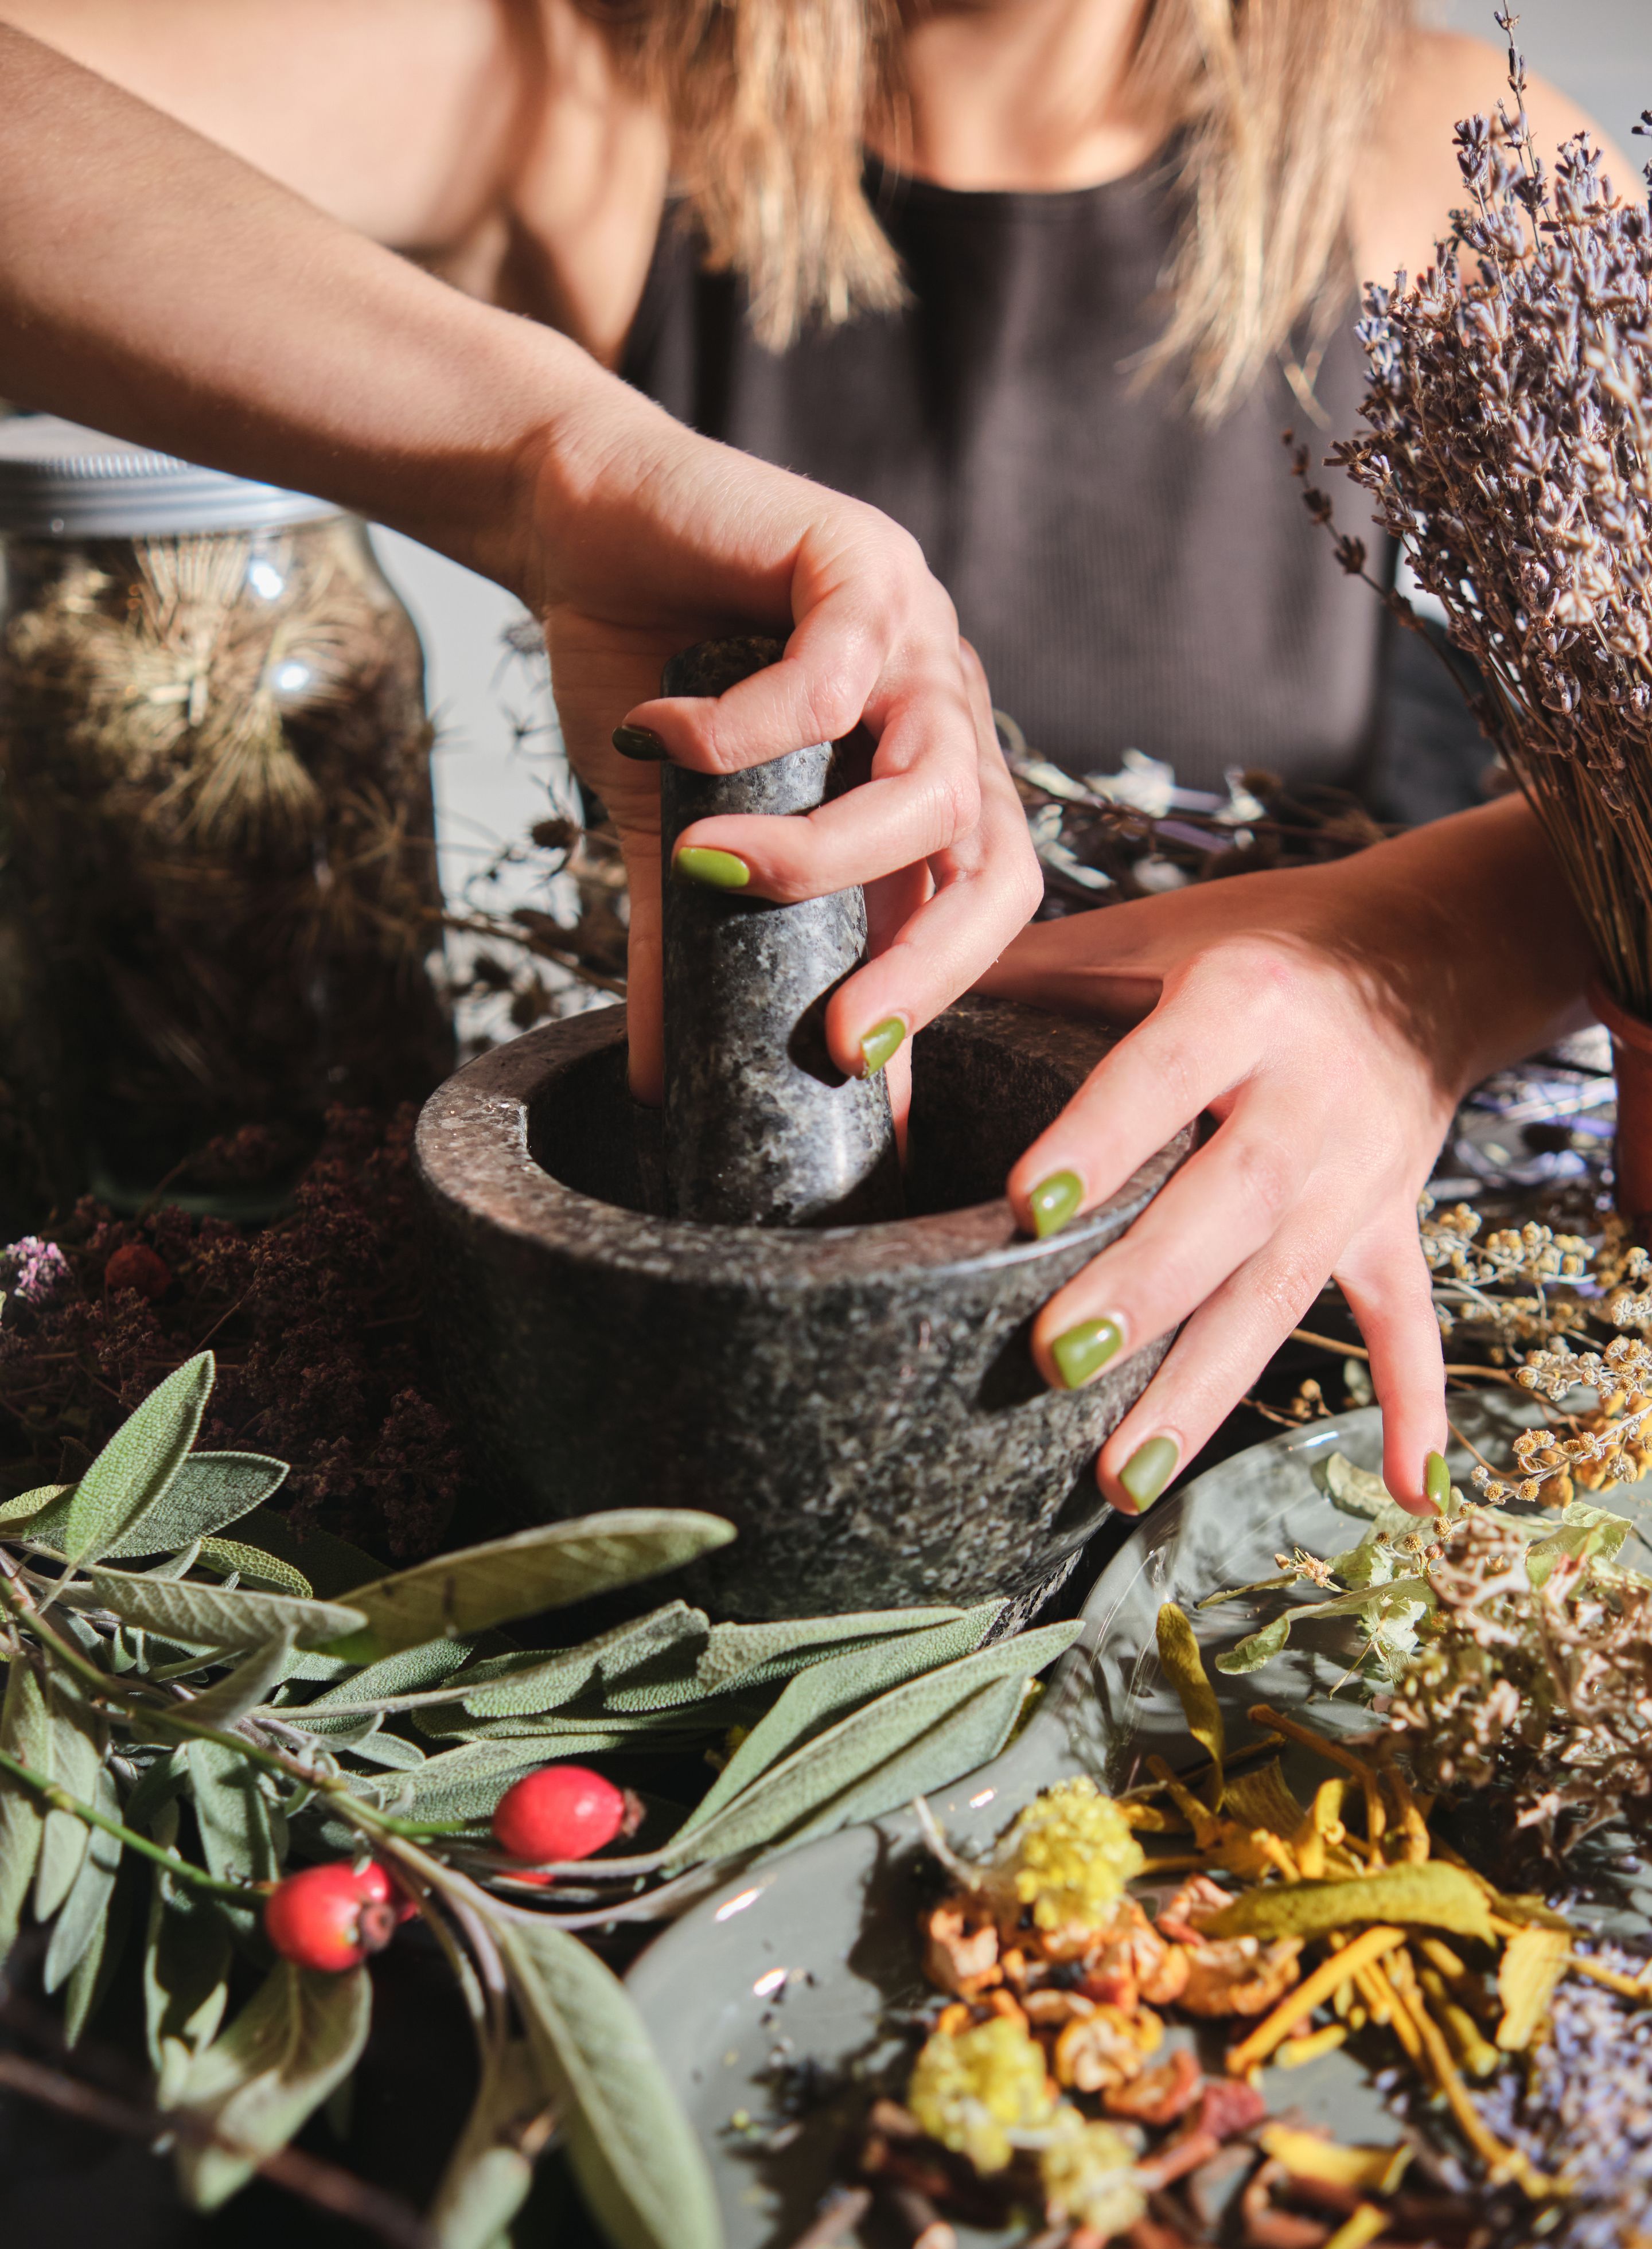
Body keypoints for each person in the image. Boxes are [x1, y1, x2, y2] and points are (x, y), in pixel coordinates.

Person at [0, 2, 1627, 1517]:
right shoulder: (574, 90)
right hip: (743, 1406)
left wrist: (1428, 955)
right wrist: (547, 466)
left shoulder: (1448, 148)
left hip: (1311, 1382)